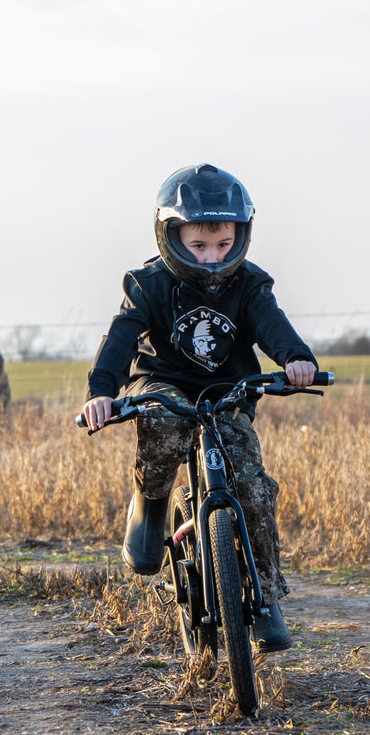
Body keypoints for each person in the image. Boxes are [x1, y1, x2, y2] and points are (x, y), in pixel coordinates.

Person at [82, 163, 317, 653]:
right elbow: (120, 341)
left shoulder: (249, 284)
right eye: (199, 246)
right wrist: (102, 392)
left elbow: (272, 325)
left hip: (228, 389)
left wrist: (297, 360)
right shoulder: (148, 283)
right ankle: (150, 509)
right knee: (163, 424)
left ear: (241, 236)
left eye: (224, 245)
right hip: (163, 382)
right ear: (170, 236)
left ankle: (266, 596)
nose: (213, 256)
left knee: (252, 485)